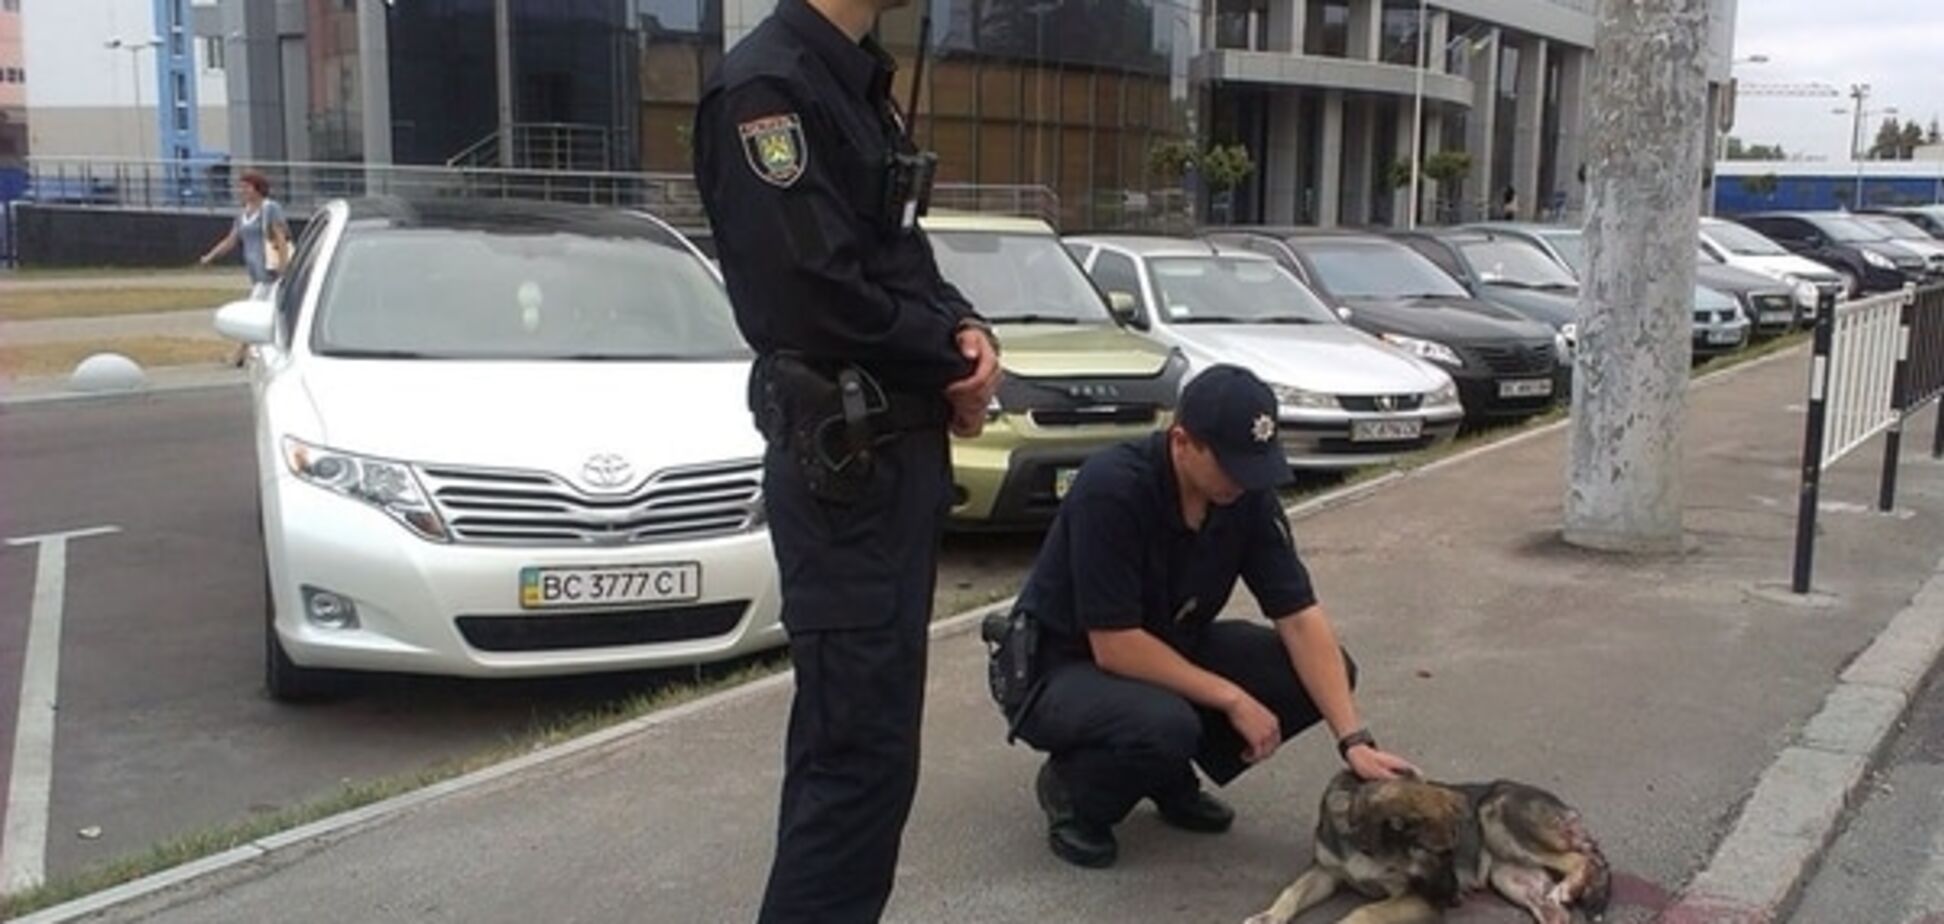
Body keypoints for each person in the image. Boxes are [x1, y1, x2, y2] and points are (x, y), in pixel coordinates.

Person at [691, 0, 1002, 920]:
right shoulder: (769, 90)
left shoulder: (852, 77)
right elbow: (814, 294)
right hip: (846, 473)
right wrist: (950, 360)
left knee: (865, 759)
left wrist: (961, 325)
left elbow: (895, 247)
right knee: (855, 765)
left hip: (886, 465)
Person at [1000, 364, 1419, 869]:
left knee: (1322, 673)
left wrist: (1354, 740)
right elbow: (1115, 645)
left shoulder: (1244, 496)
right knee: (1163, 724)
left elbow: (1299, 617)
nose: (1244, 481)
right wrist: (1232, 697)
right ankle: (1075, 790)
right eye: (1232, 465)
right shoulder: (1112, 487)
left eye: (1255, 465)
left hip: (1169, 645)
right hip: (1062, 666)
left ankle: (1163, 770)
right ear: (1182, 442)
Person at [198, 170, 291, 301]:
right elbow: (231, 240)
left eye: (246, 187)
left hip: (271, 272)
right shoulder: (242, 214)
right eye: (241, 187)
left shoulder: (270, 208)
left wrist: (283, 265)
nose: (242, 191)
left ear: (258, 188)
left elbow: (281, 238)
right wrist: (210, 256)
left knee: (261, 305)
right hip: (256, 274)